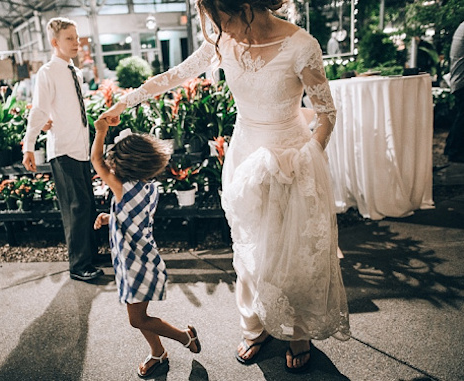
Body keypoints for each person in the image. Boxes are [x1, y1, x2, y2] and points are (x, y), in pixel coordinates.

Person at [102, 0, 350, 373]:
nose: (220, 29)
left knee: (290, 252)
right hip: (244, 154)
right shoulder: (223, 41)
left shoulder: (301, 45)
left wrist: (307, 158)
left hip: (291, 158)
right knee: (250, 248)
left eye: (223, 19)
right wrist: (126, 101)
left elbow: (326, 114)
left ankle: (298, 332)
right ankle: (257, 325)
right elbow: (177, 74)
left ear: (245, 4)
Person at [91, 120, 200, 378]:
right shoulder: (151, 187)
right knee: (140, 314)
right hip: (143, 258)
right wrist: (111, 217)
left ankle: (185, 337)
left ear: (124, 167)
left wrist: (100, 131)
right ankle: (157, 353)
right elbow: (135, 215)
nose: (110, 165)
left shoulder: (121, 188)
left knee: (137, 319)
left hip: (135, 264)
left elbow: (95, 159)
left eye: (115, 160)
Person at [22, 17, 103, 282]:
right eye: (69, 38)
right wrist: (29, 145)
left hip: (80, 149)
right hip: (63, 150)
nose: (76, 42)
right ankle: (79, 265)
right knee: (76, 207)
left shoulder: (76, 72)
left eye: (77, 37)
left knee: (87, 205)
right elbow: (39, 109)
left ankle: (89, 256)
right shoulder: (48, 72)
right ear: (55, 42)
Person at [444, 21, 464, 163]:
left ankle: (451, 147)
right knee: (462, 117)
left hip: (459, 80)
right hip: (462, 81)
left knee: (461, 115)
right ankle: (454, 151)